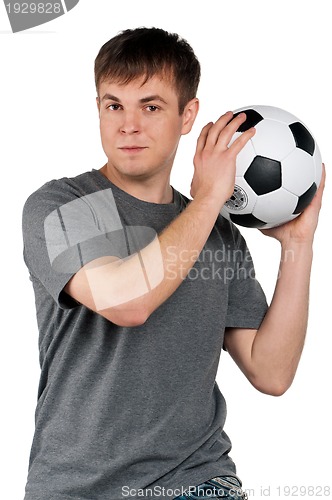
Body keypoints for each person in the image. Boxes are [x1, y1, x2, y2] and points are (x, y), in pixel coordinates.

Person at [22, 27, 325, 500]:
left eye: (151, 106)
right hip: (76, 488)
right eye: (113, 104)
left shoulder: (219, 233)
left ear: (188, 116)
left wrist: (298, 245)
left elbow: (272, 372)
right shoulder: (62, 204)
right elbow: (126, 301)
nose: (128, 125)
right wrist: (208, 200)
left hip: (198, 482)